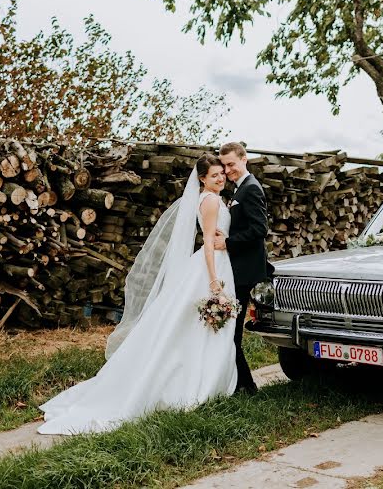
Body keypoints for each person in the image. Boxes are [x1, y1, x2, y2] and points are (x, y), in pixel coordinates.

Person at [37, 154, 237, 435]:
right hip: (211, 268)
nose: (220, 178)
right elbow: (207, 242)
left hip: (212, 264)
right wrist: (214, 280)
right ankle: (199, 384)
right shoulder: (212, 200)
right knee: (201, 327)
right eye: (214, 175)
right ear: (202, 178)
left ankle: (200, 379)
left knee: (192, 327)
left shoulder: (205, 198)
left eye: (222, 174)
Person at [215, 141, 273, 394]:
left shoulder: (250, 189)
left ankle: (246, 386)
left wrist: (227, 242)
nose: (228, 170)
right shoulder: (240, 189)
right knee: (231, 330)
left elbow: (260, 229)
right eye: (225, 166)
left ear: (244, 159)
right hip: (238, 269)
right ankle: (241, 383)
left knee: (233, 331)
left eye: (231, 164)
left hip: (245, 271)